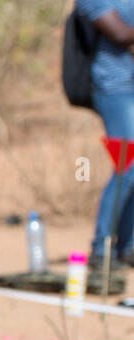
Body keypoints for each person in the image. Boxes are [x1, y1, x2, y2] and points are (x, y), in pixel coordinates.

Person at [76, 0, 134, 271]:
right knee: (128, 164)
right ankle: (101, 249)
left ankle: (128, 247)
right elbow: (120, 34)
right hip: (113, 88)